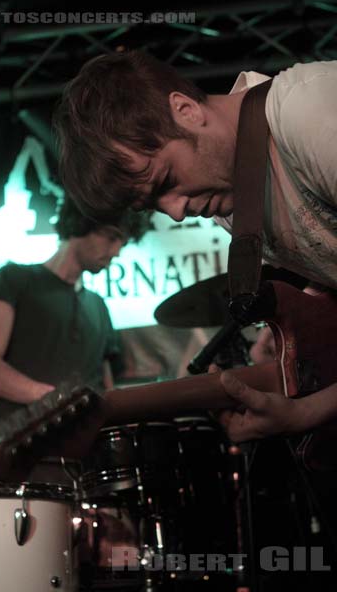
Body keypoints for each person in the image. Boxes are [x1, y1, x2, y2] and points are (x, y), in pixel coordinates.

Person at [53, 50, 337, 443]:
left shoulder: (308, 113)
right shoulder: (232, 206)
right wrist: (304, 321)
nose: (175, 212)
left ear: (185, 110)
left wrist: (311, 408)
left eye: (165, 180)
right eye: (152, 205)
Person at [0, 198, 148, 443]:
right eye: (111, 237)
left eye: (123, 242)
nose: (117, 251)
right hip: (24, 444)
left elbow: (106, 387)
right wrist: (59, 401)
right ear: (80, 224)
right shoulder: (13, 279)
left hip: (88, 450)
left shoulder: (98, 305)